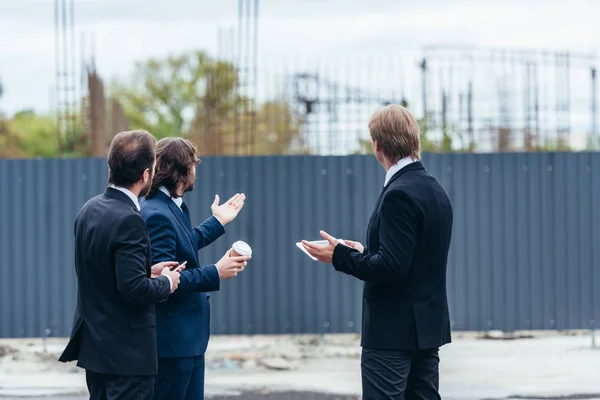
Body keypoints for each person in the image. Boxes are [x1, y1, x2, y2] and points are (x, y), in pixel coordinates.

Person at [302, 105, 453, 399]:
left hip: (392, 333)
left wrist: (339, 256)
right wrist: (362, 250)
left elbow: (392, 268)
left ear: (377, 145)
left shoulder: (398, 193)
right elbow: (413, 256)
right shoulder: (435, 189)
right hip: (426, 329)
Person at [58, 130, 183, 400]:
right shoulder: (130, 220)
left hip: (97, 351)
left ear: (110, 166)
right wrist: (166, 282)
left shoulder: (89, 209)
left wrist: (148, 271)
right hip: (127, 358)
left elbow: (101, 272)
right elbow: (134, 290)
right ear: (146, 175)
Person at [140, 137, 250, 400]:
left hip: (185, 341)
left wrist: (218, 221)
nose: (195, 171)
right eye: (193, 165)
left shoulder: (169, 205)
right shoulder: (156, 212)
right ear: (181, 170)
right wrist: (216, 271)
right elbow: (167, 281)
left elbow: (185, 244)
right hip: (173, 342)